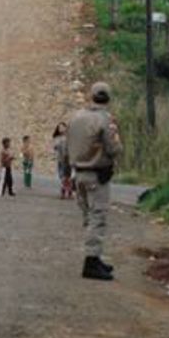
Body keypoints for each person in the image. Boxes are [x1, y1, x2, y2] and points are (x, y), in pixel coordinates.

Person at [66, 81, 123, 281]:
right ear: (108, 98)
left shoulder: (76, 118)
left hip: (78, 173)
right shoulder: (105, 119)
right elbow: (114, 148)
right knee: (98, 218)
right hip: (97, 174)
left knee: (89, 218)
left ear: (91, 96)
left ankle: (95, 258)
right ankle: (91, 262)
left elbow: (66, 145)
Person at [51, 122, 73, 199]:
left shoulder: (69, 137)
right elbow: (55, 148)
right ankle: (65, 191)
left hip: (68, 159)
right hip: (61, 159)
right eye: (60, 127)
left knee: (68, 176)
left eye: (63, 127)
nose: (61, 129)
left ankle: (68, 191)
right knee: (63, 176)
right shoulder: (57, 138)